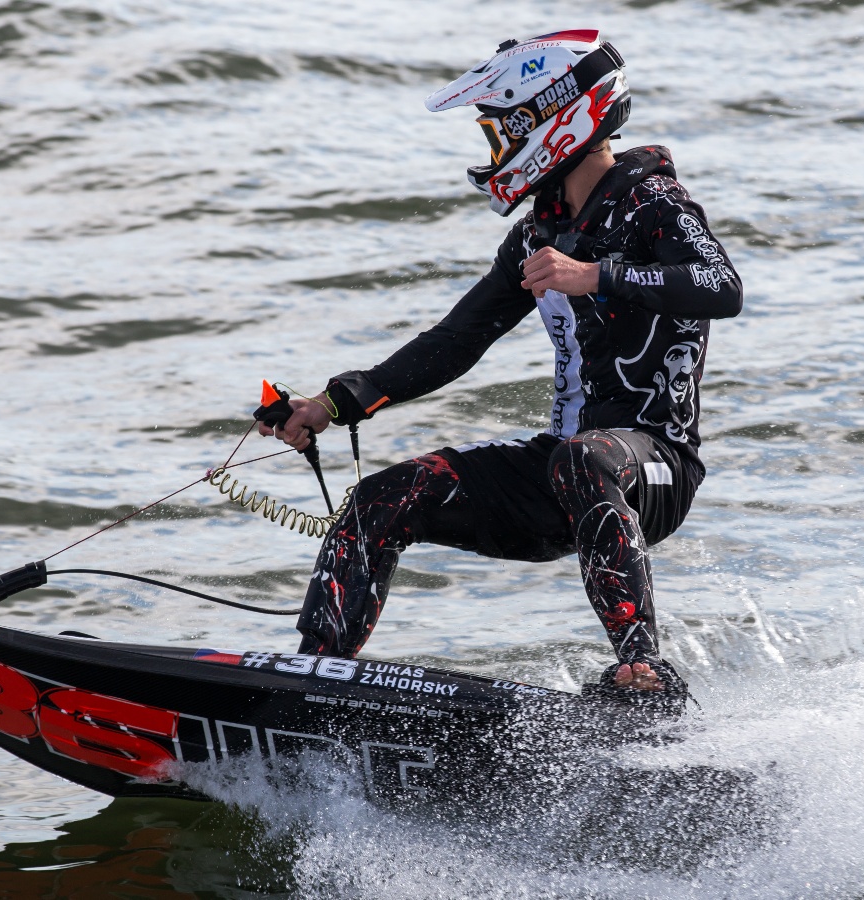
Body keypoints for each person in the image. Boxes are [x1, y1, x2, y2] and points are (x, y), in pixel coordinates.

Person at [258, 30, 742, 710]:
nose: (494, 149)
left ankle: (643, 675)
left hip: (655, 468)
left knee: (583, 459)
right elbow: (457, 339)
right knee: (379, 500)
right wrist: (335, 403)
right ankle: (310, 685)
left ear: (553, 118)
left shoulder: (653, 204)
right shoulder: (537, 234)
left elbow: (722, 286)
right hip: (563, 472)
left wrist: (595, 275)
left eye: (500, 130)